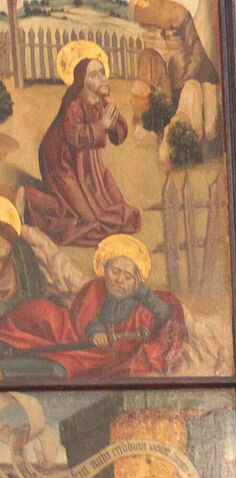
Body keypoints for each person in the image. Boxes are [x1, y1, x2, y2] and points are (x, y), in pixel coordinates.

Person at [0, 234, 186, 378]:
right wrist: (95, 332)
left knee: (60, 368)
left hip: (93, 355)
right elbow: (90, 319)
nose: (119, 280)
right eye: (115, 272)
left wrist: (144, 295)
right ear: (105, 270)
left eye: (127, 276)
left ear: (137, 280)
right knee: (38, 311)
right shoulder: (100, 288)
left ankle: (8, 368)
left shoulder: (143, 303)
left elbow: (164, 314)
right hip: (73, 332)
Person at [21, 57, 141, 247]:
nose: (102, 78)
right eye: (95, 74)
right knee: (86, 220)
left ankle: (51, 193)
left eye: (102, 72)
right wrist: (102, 125)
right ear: (82, 81)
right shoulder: (74, 105)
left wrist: (112, 126)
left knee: (116, 210)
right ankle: (30, 196)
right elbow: (76, 137)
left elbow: (119, 131)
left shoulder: (101, 103)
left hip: (86, 167)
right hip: (60, 162)